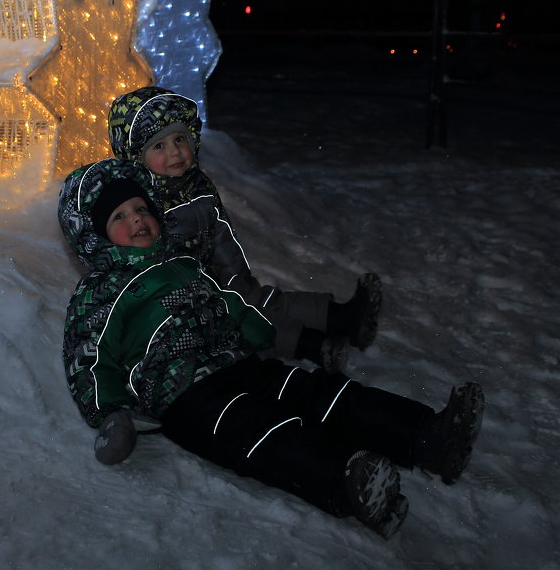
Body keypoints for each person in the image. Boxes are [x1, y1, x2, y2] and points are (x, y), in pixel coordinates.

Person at [58, 158, 484, 539]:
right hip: (186, 396)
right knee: (267, 434)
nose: (136, 219)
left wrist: (253, 326)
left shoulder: (183, 264)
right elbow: (89, 359)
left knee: (325, 394)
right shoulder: (100, 293)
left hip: (241, 363)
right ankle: (349, 481)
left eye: (140, 208)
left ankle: (428, 437)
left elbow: (224, 300)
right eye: (118, 215)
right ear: (95, 237)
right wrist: (109, 414)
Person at [108, 85, 381, 373]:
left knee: (260, 298)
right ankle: (314, 346)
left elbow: (220, 232)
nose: (175, 152)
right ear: (135, 156)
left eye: (179, 139)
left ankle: (344, 318)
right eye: (159, 146)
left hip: (222, 276)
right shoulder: (140, 206)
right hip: (189, 300)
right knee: (242, 320)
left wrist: (237, 277)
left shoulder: (197, 184)